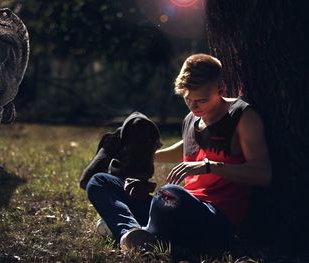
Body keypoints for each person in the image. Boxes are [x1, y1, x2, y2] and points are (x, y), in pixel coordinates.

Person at [83, 53, 272, 251]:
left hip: (216, 218)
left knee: (170, 194)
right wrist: (143, 157)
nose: (193, 106)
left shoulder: (242, 116)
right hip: (176, 210)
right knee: (100, 181)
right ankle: (130, 234)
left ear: (221, 88)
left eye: (201, 100)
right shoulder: (192, 119)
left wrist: (210, 167)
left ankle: (138, 231)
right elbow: (187, 147)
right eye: (188, 99)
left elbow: (263, 174)